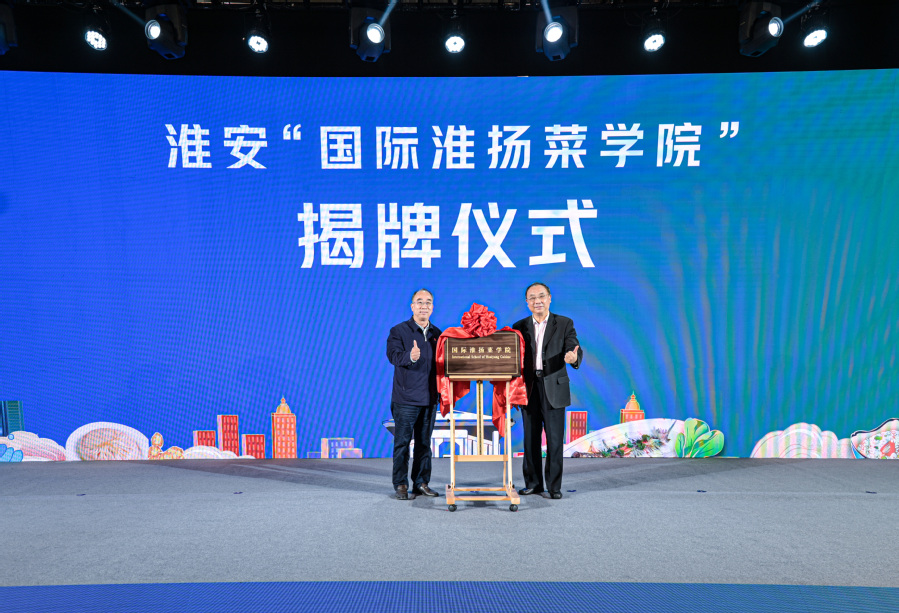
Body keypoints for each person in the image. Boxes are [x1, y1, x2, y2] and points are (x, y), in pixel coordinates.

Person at [512, 282, 582, 499]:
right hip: (530, 387)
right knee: (530, 439)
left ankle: (554, 487)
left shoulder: (564, 323)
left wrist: (573, 357)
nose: (537, 301)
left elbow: (573, 346)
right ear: (527, 302)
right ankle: (533, 484)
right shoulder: (519, 326)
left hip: (554, 386)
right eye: (532, 298)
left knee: (554, 440)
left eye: (541, 296)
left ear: (549, 298)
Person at [385, 289, 442, 500]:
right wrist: (410, 356)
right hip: (405, 400)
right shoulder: (399, 331)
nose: (423, 306)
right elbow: (393, 356)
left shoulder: (437, 334)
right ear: (412, 306)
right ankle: (400, 484)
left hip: (429, 398)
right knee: (402, 444)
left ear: (432, 307)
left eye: (428, 302)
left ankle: (421, 483)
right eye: (419, 302)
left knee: (424, 444)